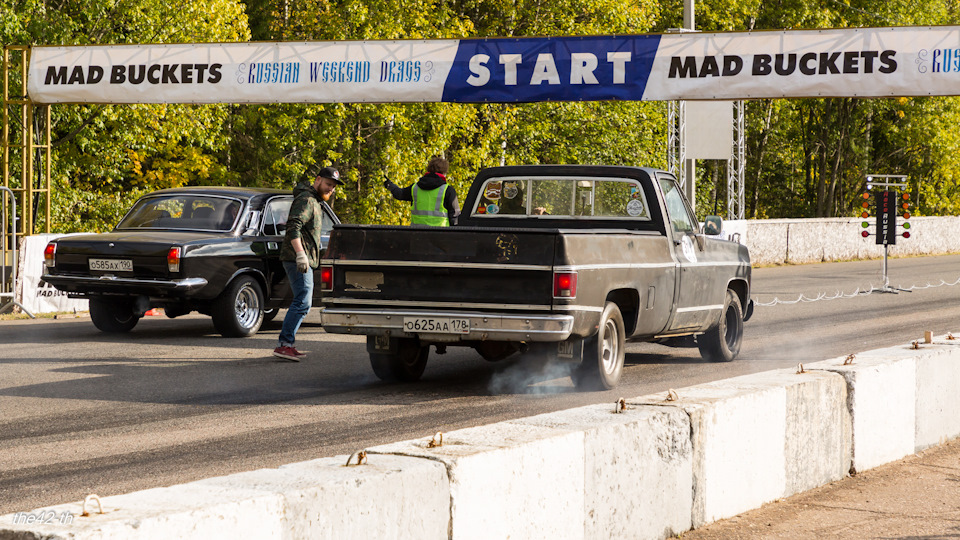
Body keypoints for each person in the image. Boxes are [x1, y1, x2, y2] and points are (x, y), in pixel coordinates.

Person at [273, 166, 343, 361]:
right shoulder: (306, 200)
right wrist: (300, 255)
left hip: (303, 257)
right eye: (329, 184)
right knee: (303, 300)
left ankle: (288, 344)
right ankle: (284, 344)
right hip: (297, 258)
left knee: (303, 300)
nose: (331, 188)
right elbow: (293, 226)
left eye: (334, 186)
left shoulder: (314, 200)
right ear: (318, 180)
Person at [383, 155, 459, 226]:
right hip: (440, 235)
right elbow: (455, 218)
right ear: (444, 172)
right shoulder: (448, 190)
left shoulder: (415, 188)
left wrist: (390, 185)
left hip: (417, 234)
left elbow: (399, 194)